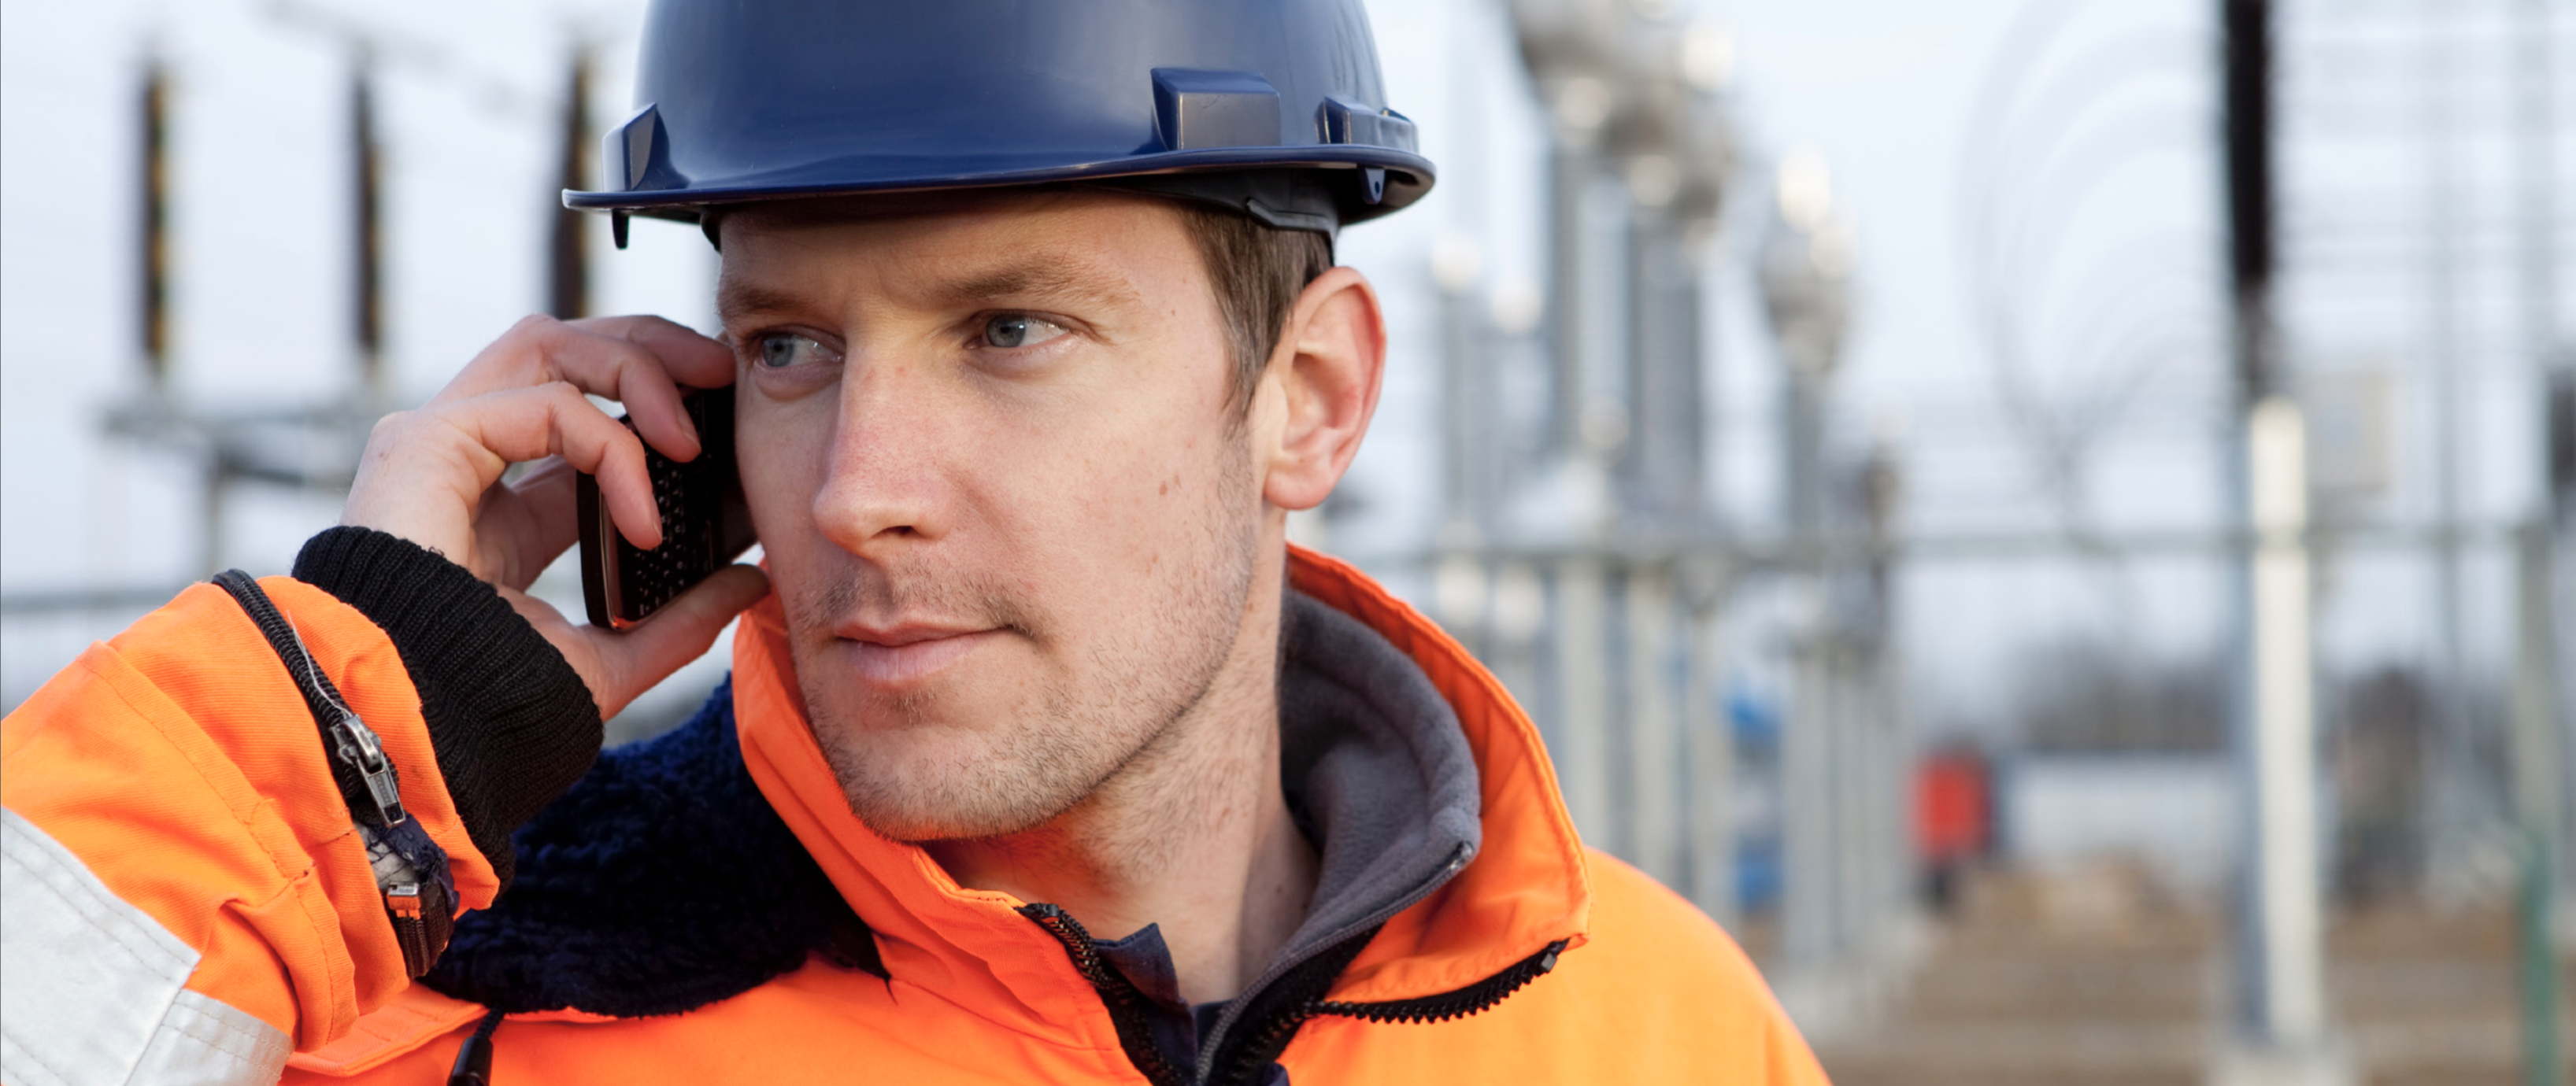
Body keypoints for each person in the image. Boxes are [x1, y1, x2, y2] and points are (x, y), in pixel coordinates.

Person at [0, 2, 1828, 1083]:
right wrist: (332, 742)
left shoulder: (1649, 1030)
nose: (857, 485)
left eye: (1008, 332)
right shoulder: (462, 1016)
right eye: (791, 346)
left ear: (1311, 399)